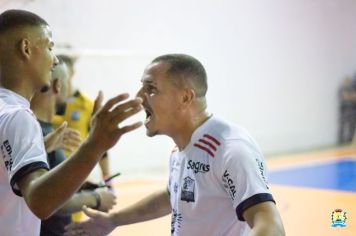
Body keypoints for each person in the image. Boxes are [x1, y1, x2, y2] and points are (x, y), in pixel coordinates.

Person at [64, 54, 285, 236]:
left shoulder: (231, 149)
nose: (139, 97)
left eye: (150, 89)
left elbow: (271, 227)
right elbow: (175, 196)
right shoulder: (182, 147)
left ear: (185, 98)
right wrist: (113, 220)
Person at [0, 9, 143, 236]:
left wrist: (42, 147)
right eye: (49, 47)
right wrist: (94, 145)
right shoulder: (19, 116)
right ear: (26, 48)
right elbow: (40, 202)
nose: (54, 58)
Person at [31, 60, 117, 235]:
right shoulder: (37, 132)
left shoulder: (43, 132)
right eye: (68, 80)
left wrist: (78, 185)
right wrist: (96, 198)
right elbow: (47, 199)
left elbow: (47, 183)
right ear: (58, 85)